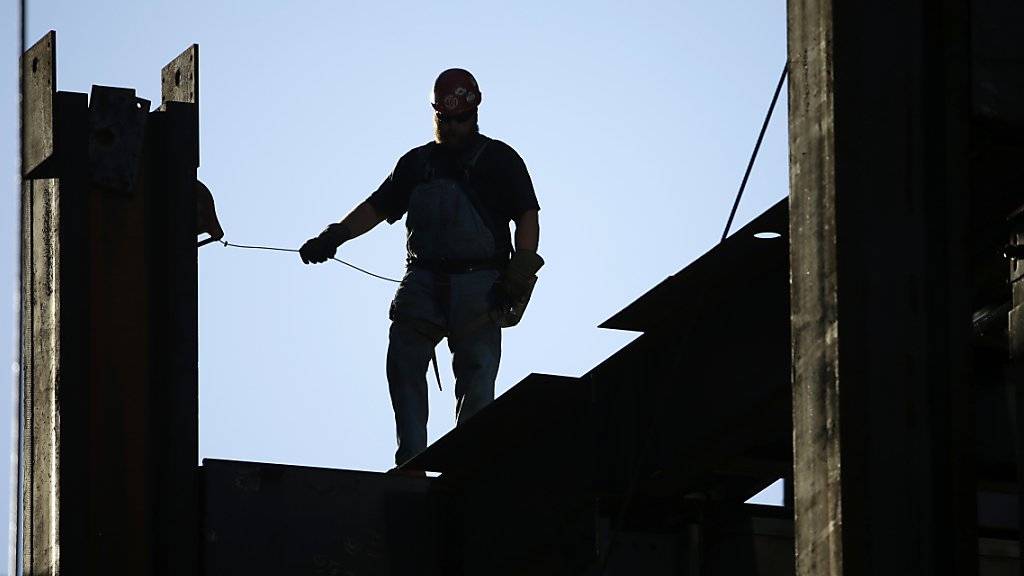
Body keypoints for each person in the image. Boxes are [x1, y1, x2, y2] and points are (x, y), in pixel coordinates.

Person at [299, 68, 543, 468]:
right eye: (444, 119)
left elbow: (527, 217)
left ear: (475, 112)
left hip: (480, 284)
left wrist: (519, 272)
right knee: (404, 359)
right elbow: (377, 208)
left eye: (459, 118)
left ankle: (470, 467)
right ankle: (411, 460)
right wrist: (334, 236)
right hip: (423, 280)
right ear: (434, 114)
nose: (451, 126)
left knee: (477, 372)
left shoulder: (500, 159)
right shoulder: (416, 164)